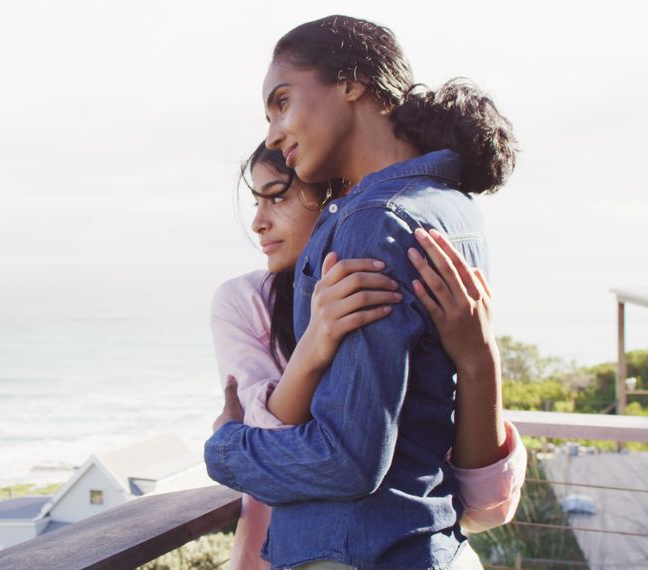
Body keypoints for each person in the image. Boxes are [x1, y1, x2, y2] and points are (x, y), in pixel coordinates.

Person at [204, 15, 518, 569]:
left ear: (352, 81)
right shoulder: (452, 205)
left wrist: (225, 447)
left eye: (282, 101)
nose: (274, 131)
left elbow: (347, 459)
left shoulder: (373, 222)